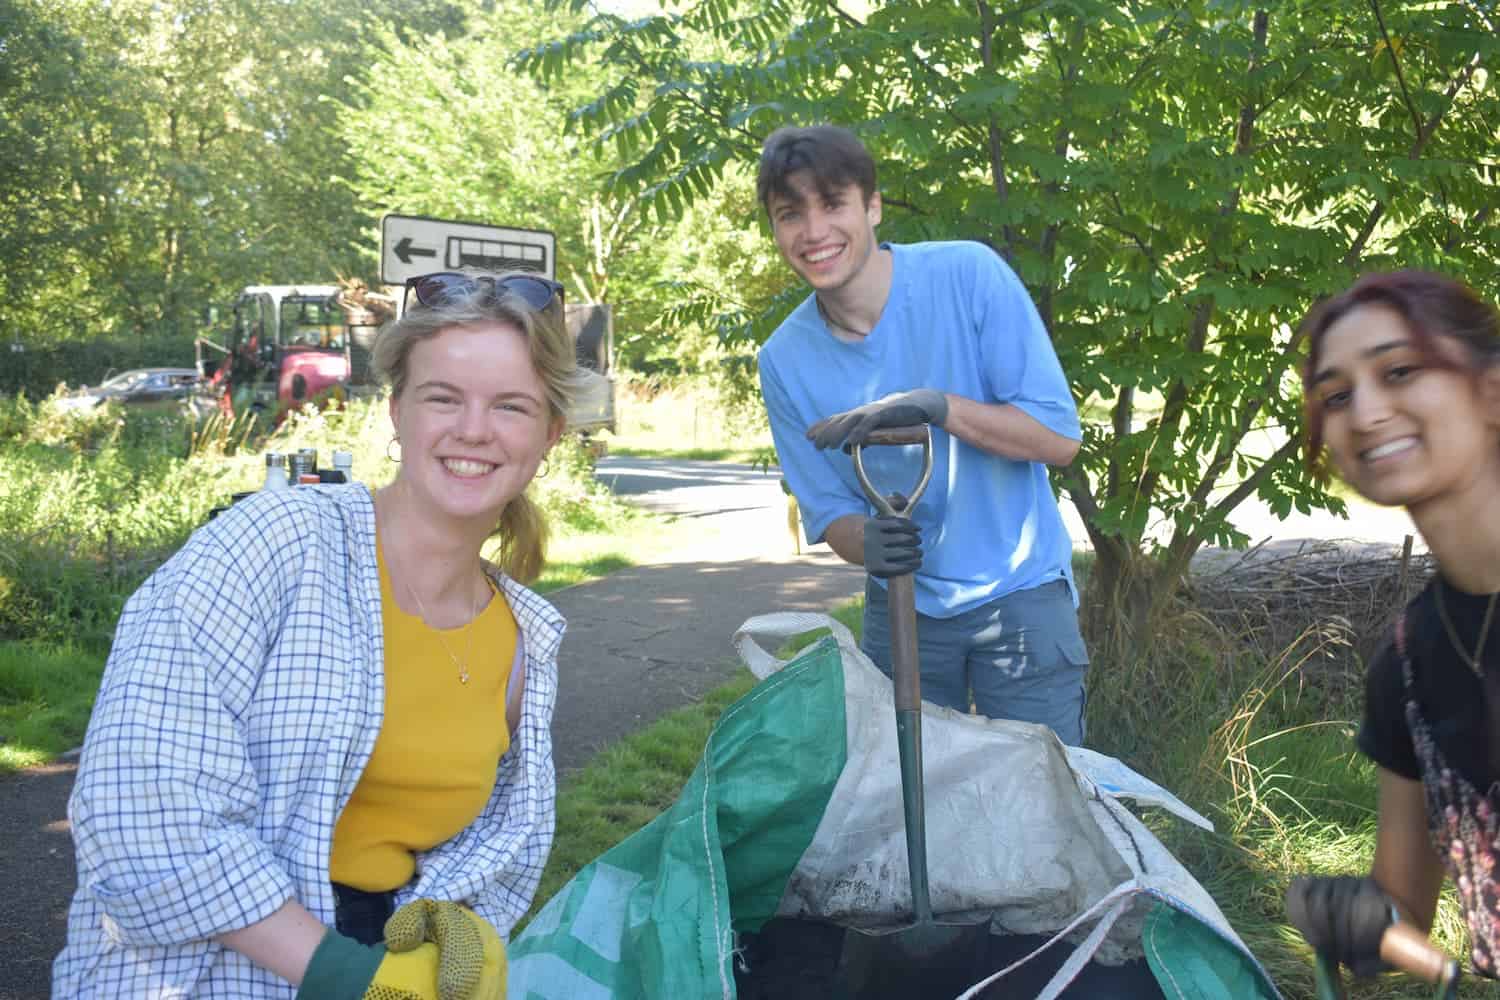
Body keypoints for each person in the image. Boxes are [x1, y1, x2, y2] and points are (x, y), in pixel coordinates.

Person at [53, 270, 582, 998]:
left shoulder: (527, 641)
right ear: (396, 410)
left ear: (551, 433)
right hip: (201, 976)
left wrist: (449, 929)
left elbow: (485, 851)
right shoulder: (273, 545)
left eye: (511, 407)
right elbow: (137, 807)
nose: (473, 430)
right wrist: (342, 974)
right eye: (443, 398)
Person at [754, 124, 1090, 745]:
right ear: (775, 231)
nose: (814, 231)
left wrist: (938, 407)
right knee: (914, 813)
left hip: (1019, 594)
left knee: (1042, 804)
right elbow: (830, 514)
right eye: (789, 214)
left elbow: (1056, 438)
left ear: (873, 205)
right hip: (902, 610)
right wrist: (871, 544)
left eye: (833, 204)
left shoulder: (968, 276)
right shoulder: (783, 359)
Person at [1286, 270, 1500, 980]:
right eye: (1337, 396)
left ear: (1491, 388)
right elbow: (1405, 912)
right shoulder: (1412, 663)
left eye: (1400, 371)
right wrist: (1357, 919)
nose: (1367, 413)